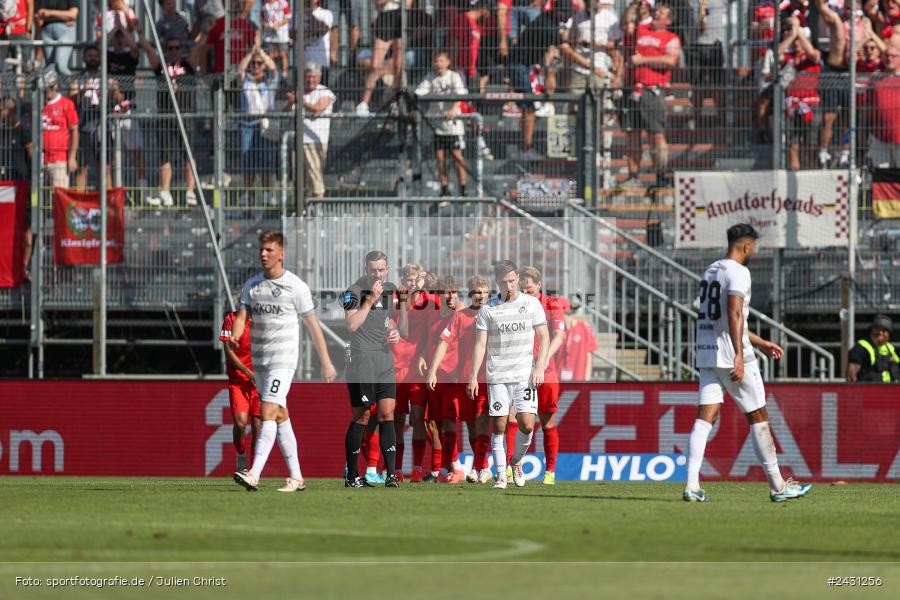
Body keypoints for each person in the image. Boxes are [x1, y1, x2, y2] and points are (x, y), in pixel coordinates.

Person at [686, 223, 812, 503]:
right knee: (758, 416)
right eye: (753, 246)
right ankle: (778, 486)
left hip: (707, 353)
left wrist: (760, 341)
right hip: (731, 355)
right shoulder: (739, 272)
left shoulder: (711, 271)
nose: (753, 251)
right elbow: (734, 313)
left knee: (704, 418)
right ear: (746, 246)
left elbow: (718, 317)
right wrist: (740, 354)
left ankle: (692, 485)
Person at [231, 230, 338, 492]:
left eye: (269, 250)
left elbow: (313, 326)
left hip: (284, 360)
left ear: (282, 253)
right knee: (280, 416)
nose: (263, 254)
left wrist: (326, 361)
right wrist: (235, 335)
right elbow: (242, 316)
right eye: (261, 250)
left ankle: (253, 474)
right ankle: (297, 477)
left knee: (267, 411)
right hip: (262, 362)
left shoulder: (296, 286)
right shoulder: (252, 285)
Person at [467, 260, 549, 490]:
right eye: (505, 282)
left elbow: (544, 336)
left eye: (513, 280)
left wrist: (540, 366)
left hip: (525, 374)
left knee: (527, 425)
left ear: (518, 279)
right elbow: (480, 344)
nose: (510, 285)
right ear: (498, 282)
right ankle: (501, 475)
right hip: (498, 374)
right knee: (499, 426)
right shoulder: (488, 308)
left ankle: (516, 461)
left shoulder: (531, 304)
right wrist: (474, 375)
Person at [341, 250, 406, 488]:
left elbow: (385, 319)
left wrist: (393, 330)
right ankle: (352, 476)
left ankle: (390, 475)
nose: (376, 273)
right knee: (363, 415)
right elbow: (351, 325)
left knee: (388, 413)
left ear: (387, 269)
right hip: (362, 360)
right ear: (365, 268)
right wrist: (369, 300)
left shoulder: (390, 290)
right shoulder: (353, 291)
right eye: (372, 269)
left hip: (384, 359)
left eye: (380, 269)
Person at [427, 275, 493, 484]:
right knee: (466, 424)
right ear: (470, 294)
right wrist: (433, 370)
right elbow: (444, 342)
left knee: (484, 423)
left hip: (487, 379)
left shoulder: (495, 314)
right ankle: (480, 468)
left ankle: (491, 467)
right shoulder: (460, 317)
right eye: (476, 292)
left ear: (489, 295)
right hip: (463, 380)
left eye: (484, 293)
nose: (480, 297)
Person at [141, 29, 204, 207]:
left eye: (177, 48)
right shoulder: (161, 65)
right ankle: (165, 191)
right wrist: (140, 32)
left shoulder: (187, 64)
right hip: (166, 116)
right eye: (170, 48)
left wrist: (204, 31)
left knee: (189, 154)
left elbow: (198, 48)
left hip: (185, 115)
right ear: (166, 50)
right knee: (165, 154)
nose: (174, 51)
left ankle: (190, 192)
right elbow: (148, 50)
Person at [518, 267, 567, 485]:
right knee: (514, 420)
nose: (525, 290)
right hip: (519, 370)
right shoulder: (516, 304)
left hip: (545, 372)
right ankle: (513, 467)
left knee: (547, 423)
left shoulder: (552, 303)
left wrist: (544, 358)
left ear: (538, 285)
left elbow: (559, 335)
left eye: (528, 287)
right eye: (522, 287)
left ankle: (550, 471)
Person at [623, 4, 680, 187]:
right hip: (633, 89)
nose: (656, 14)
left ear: (668, 21)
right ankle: (633, 176)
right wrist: (633, 5)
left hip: (653, 90)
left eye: (661, 13)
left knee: (656, 135)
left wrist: (643, 61)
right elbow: (626, 23)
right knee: (632, 134)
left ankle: (661, 176)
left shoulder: (671, 37)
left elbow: (670, 60)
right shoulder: (640, 29)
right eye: (656, 11)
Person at [423, 275, 466, 483]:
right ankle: (442, 468)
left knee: (450, 422)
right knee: (433, 424)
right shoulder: (433, 315)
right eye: (444, 293)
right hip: (435, 375)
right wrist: (423, 357)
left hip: (454, 377)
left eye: (453, 292)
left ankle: (462, 468)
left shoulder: (462, 313)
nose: (449, 297)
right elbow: (429, 341)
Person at [414, 51, 469, 198]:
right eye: (436, 61)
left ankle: (463, 189)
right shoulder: (431, 77)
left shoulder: (454, 76)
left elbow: (461, 95)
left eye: (442, 60)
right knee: (440, 159)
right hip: (438, 127)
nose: (439, 64)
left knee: (457, 158)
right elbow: (420, 92)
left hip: (453, 126)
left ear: (448, 62)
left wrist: (453, 109)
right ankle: (444, 190)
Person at [219, 309, 261, 473]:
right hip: (238, 381)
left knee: (258, 425)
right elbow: (228, 352)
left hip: (259, 382)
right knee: (240, 424)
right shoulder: (231, 318)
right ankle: (241, 454)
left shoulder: (264, 320)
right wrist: (248, 372)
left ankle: (254, 470)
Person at [779, 14, 821, 171]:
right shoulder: (788, 56)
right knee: (793, 142)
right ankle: (794, 169)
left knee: (811, 142)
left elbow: (812, 53)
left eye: (799, 40)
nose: (797, 43)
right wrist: (792, 35)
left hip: (810, 105)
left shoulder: (812, 56)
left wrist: (799, 32)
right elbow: (777, 53)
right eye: (795, 40)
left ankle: (811, 169)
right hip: (792, 105)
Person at [236, 46, 279, 193]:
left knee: (265, 163)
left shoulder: (269, 82)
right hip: (247, 125)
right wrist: (251, 53)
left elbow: (274, 69)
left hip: (264, 125)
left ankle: (267, 194)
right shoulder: (246, 81)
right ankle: (248, 194)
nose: (256, 66)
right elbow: (240, 70)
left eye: (259, 63)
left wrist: (261, 53)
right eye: (254, 64)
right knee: (248, 163)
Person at [356, 0, 404, 115]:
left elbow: (407, 4)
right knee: (375, 65)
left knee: (398, 65)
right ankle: (364, 103)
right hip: (386, 18)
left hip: (402, 16)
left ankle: (395, 102)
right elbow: (378, 2)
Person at [40, 67, 78, 190]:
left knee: (59, 196)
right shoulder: (38, 104)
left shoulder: (66, 104)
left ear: (55, 86)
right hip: (40, 158)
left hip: (59, 159)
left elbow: (74, 131)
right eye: (45, 89)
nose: (47, 92)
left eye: (50, 88)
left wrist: (72, 157)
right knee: (41, 198)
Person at [302, 62, 336, 199]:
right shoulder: (301, 91)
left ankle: (318, 209)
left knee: (315, 175)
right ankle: (305, 210)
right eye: (308, 76)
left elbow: (317, 109)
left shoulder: (325, 92)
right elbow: (287, 110)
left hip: (315, 140)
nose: (310, 80)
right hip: (300, 141)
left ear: (319, 77)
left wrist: (299, 101)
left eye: (313, 77)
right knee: (303, 179)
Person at [866, 45, 900, 169]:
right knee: (881, 174)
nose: (889, 59)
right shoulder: (876, 78)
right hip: (879, 137)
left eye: (894, 56)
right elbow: (867, 107)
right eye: (887, 56)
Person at [847, 315, 900, 382]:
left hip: (889, 390)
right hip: (868, 390)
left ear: (889, 334)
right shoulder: (861, 347)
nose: (880, 333)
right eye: (877, 329)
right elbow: (851, 377)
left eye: (884, 330)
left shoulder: (890, 349)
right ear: (871, 330)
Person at [36, 0, 78, 75]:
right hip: (47, 32)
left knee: (61, 66)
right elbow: (41, 13)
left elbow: (73, 14)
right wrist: (64, 16)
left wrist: (50, 13)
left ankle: (73, 84)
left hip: (65, 32)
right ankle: (55, 86)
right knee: (50, 69)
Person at [0, 0, 32, 75]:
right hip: (2, 32)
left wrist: (28, 30)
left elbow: (30, 6)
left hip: (20, 32)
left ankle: (21, 86)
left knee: (21, 68)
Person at [261, 0, 292, 76]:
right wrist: (266, 25)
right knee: (269, 55)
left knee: (283, 54)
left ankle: (284, 74)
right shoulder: (264, 4)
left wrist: (278, 25)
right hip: (269, 35)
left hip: (282, 35)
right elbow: (261, 19)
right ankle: (272, 74)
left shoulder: (283, 2)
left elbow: (287, 17)